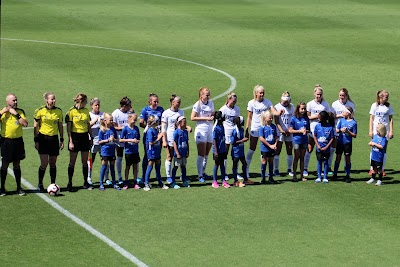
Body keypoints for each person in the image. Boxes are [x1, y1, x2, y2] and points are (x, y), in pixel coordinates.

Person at [245, 85, 281, 182]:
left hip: (265, 128)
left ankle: (266, 174)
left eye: (263, 93)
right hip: (255, 128)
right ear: (256, 93)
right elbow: (249, 117)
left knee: (265, 151)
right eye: (260, 93)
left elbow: (273, 111)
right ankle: (246, 170)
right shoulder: (251, 103)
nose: (262, 94)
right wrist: (247, 129)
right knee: (251, 150)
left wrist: (278, 113)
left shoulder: (267, 102)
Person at [34, 92, 64, 192]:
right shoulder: (40, 111)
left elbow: (60, 126)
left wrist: (62, 139)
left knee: (53, 162)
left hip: (54, 139)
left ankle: (52, 184)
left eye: (54, 99)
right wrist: (36, 140)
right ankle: (40, 184)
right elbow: (36, 126)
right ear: (46, 100)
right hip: (43, 139)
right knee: (44, 163)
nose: (53, 100)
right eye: (52, 99)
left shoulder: (59, 111)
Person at [0, 93, 28, 196]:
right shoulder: (3, 112)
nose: (16, 102)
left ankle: (19, 188)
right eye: (13, 100)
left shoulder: (20, 112)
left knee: (17, 164)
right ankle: (2, 188)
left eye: (16, 100)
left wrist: (16, 114)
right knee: (5, 164)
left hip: (18, 141)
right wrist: (3, 111)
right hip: (6, 142)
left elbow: (25, 124)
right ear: (7, 102)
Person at [65, 93, 92, 192]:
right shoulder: (71, 112)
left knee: (84, 162)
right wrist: (70, 142)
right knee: (72, 162)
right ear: (81, 101)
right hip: (75, 137)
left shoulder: (86, 111)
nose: (87, 103)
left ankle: (85, 182)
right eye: (86, 101)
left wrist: (91, 137)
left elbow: (88, 125)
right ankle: (70, 183)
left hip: (84, 137)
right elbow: (68, 129)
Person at [304, 85, 331, 177]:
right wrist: (316, 116)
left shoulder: (325, 104)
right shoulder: (310, 104)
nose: (318, 96)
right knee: (310, 148)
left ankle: (321, 170)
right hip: (313, 127)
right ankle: (305, 168)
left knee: (323, 149)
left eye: (320, 94)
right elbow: (307, 117)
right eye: (317, 94)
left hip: (323, 129)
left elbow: (328, 115)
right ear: (314, 93)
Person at [191, 87, 214, 183]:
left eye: (209, 94)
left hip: (209, 129)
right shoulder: (198, 104)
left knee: (206, 154)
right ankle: (200, 175)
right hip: (201, 130)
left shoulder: (211, 103)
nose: (208, 96)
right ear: (201, 95)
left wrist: (213, 116)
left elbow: (212, 113)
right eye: (206, 94)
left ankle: (203, 172)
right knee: (201, 154)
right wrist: (205, 118)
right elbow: (192, 117)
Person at [139, 93, 164, 183]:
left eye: (157, 101)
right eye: (154, 101)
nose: (156, 103)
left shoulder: (161, 110)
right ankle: (144, 177)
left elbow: (163, 122)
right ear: (149, 101)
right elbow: (141, 122)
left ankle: (158, 177)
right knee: (147, 156)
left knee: (157, 156)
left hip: (158, 136)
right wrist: (149, 127)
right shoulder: (145, 110)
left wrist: (159, 129)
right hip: (148, 137)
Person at [330, 88, 356, 173]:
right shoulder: (335, 104)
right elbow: (331, 117)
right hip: (337, 128)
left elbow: (352, 117)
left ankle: (346, 170)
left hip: (347, 136)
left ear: (346, 96)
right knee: (335, 150)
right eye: (340, 95)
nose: (341, 97)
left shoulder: (351, 104)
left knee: (347, 155)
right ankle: (332, 169)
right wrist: (340, 116)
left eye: (343, 95)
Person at [368, 90, 394, 176]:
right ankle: (372, 168)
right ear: (381, 97)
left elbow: (390, 119)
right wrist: (370, 130)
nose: (387, 98)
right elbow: (371, 118)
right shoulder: (374, 105)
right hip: (376, 131)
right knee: (374, 149)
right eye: (386, 96)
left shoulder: (388, 106)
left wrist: (391, 131)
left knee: (383, 150)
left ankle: (381, 169)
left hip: (385, 131)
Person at [161, 95, 184, 184]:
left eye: (180, 102)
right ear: (172, 102)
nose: (179, 104)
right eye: (178, 102)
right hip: (170, 137)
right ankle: (168, 176)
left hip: (179, 138)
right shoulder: (166, 113)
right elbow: (164, 128)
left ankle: (182, 175)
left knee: (180, 156)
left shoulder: (181, 112)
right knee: (169, 156)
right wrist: (164, 140)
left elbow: (182, 125)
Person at [219, 92, 240, 181]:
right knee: (225, 153)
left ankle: (236, 172)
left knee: (236, 152)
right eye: (232, 101)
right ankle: (224, 173)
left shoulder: (237, 109)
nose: (234, 103)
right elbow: (219, 120)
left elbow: (238, 121)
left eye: (235, 101)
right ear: (228, 100)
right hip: (226, 132)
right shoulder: (223, 109)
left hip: (234, 132)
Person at [112, 96, 133, 185]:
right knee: (119, 157)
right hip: (120, 139)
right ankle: (120, 176)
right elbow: (113, 126)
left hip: (129, 139)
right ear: (124, 106)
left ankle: (130, 177)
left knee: (129, 158)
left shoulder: (130, 113)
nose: (130, 107)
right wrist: (123, 128)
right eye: (129, 105)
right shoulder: (116, 113)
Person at [333, 107, 357, 183]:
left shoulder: (353, 123)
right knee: (338, 157)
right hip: (340, 142)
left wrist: (348, 131)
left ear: (348, 113)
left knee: (347, 158)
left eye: (344, 112)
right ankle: (335, 174)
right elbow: (336, 130)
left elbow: (354, 135)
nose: (342, 113)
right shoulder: (341, 120)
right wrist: (341, 130)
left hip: (348, 143)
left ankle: (347, 175)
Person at [274, 91, 294, 177]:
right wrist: (281, 130)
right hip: (280, 132)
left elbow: (292, 119)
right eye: (284, 100)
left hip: (289, 132)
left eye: (287, 100)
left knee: (289, 150)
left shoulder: (292, 107)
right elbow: (276, 121)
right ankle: (276, 169)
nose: (285, 102)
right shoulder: (277, 107)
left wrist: (290, 129)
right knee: (277, 150)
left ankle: (289, 169)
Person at [144, 115, 167, 191]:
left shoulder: (155, 129)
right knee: (150, 166)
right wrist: (158, 138)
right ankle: (146, 183)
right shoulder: (150, 131)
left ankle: (160, 182)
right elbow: (150, 143)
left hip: (157, 151)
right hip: (152, 151)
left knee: (158, 167)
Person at [98, 113, 120, 191]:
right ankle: (101, 183)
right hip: (105, 151)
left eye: (112, 120)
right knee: (104, 167)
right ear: (105, 121)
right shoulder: (102, 130)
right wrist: (108, 140)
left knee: (112, 167)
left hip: (112, 151)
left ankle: (114, 182)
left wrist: (113, 139)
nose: (111, 121)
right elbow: (99, 141)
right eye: (110, 120)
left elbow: (117, 139)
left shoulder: (113, 129)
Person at [289, 102, 310, 182]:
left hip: (304, 140)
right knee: (296, 157)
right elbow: (290, 130)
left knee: (302, 158)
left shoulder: (306, 118)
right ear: (298, 109)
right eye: (302, 108)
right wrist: (299, 131)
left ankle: (301, 175)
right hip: (296, 140)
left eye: (304, 108)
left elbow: (308, 129)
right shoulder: (294, 118)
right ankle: (294, 175)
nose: (303, 110)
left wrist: (306, 131)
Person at [119, 114, 141, 189]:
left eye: (135, 120)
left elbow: (138, 139)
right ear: (129, 119)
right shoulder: (125, 129)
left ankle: (135, 182)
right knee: (127, 167)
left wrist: (136, 141)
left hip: (135, 151)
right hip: (128, 151)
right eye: (133, 119)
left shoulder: (136, 128)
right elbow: (121, 139)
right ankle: (126, 183)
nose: (134, 121)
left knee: (135, 167)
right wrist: (130, 140)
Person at [313, 111, 335, 183]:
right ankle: (319, 177)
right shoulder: (317, 126)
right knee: (319, 161)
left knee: (326, 162)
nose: (318, 119)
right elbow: (315, 136)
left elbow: (332, 138)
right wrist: (318, 145)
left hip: (326, 149)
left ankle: (325, 177)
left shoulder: (330, 127)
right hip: (319, 148)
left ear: (324, 119)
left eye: (319, 118)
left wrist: (327, 147)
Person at [88, 97, 106, 185]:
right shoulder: (89, 115)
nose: (98, 106)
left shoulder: (103, 114)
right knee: (91, 160)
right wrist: (96, 120)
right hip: (93, 142)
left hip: (103, 142)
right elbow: (88, 125)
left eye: (98, 105)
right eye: (96, 105)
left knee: (104, 159)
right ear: (91, 106)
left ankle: (106, 177)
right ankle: (89, 177)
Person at [259, 110, 278, 184]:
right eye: (270, 118)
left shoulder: (273, 126)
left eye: (271, 118)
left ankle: (270, 177)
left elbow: (276, 136)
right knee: (264, 161)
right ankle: (263, 178)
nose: (271, 119)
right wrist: (269, 145)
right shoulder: (262, 127)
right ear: (265, 118)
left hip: (272, 148)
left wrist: (275, 144)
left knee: (271, 161)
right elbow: (261, 138)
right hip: (265, 148)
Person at [211, 111, 230, 188]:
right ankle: (214, 181)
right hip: (217, 150)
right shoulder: (216, 128)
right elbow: (214, 139)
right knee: (217, 164)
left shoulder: (222, 126)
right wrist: (215, 150)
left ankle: (223, 181)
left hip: (222, 149)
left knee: (222, 165)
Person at [171, 116, 190, 188]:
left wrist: (188, 151)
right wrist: (177, 152)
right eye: (184, 123)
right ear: (179, 123)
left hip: (184, 153)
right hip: (178, 153)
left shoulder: (185, 132)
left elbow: (187, 142)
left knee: (183, 166)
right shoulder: (176, 132)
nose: (185, 124)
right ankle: (173, 181)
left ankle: (184, 180)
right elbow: (174, 143)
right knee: (176, 166)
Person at [230, 116, 247, 187]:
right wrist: (242, 140)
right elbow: (233, 142)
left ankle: (246, 179)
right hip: (236, 151)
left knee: (244, 164)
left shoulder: (242, 129)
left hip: (241, 150)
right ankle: (235, 181)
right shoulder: (234, 130)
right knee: (235, 165)